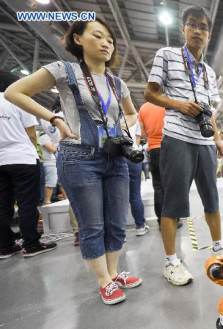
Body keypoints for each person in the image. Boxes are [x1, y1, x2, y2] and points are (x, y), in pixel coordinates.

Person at [5, 19, 143, 304]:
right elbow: (13, 92)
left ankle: (114, 272)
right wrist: (53, 117)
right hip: (79, 159)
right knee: (92, 225)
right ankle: (103, 280)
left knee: (117, 222)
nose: (107, 43)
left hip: (115, 158)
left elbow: (131, 113)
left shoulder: (117, 83)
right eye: (98, 36)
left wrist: (123, 133)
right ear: (78, 39)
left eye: (110, 39)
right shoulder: (63, 71)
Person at [144, 5, 223, 286]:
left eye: (203, 27)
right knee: (174, 202)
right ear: (183, 29)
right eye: (192, 24)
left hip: (203, 142)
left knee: (212, 198)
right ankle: (171, 261)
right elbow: (150, 93)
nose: (197, 30)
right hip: (177, 138)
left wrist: (216, 137)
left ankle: (218, 247)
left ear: (209, 35)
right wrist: (179, 104)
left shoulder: (209, 73)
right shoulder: (166, 55)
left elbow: (210, 110)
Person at [0, 70, 58, 260]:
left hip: (1, 161)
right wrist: (33, 153)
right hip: (23, 158)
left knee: (3, 204)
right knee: (27, 203)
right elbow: (31, 134)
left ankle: (5, 246)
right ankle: (31, 244)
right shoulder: (17, 100)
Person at [127, 119, 149, 236]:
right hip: (132, 155)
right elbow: (137, 140)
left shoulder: (108, 114)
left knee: (115, 197)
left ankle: (118, 233)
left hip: (116, 157)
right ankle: (140, 226)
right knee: (135, 195)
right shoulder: (134, 119)